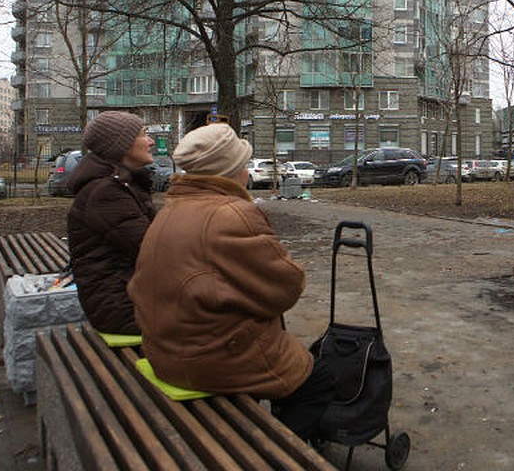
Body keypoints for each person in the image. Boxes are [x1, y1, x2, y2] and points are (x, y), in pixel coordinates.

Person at [128, 124, 335, 441]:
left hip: (166, 350)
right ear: (230, 170)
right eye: (243, 164)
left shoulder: (170, 211)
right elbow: (286, 289)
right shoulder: (232, 214)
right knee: (318, 377)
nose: (246, 171)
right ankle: (278, 454)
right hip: (211, 360)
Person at [67, 111, 156, 335]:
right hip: (122, 307)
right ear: (123, 145)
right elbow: (153, 249)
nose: (151, 141)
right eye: (144, 134)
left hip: (124, 297)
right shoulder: (106, 192)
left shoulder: (120, 185)